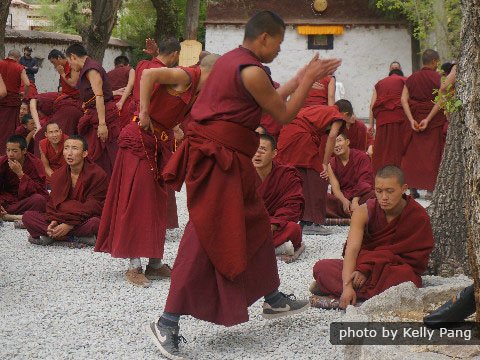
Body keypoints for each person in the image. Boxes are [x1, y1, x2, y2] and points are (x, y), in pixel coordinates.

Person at [146, 10, 342, 359]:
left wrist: (301, 76)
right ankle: (167, 321)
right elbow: (281, 114)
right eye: (279, 44)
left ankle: (272, 297)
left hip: (231, 159)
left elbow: (273, 94)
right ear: (264, 37)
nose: (279, 51)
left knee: (253, 222)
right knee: (205, 233)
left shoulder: (231, 62)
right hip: (218, 161)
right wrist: (309, 76)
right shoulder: (250, 70)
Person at [95, 54, 219, 288]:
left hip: (159, 142)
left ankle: (154, 262)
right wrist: (143, 111)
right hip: (139, 140)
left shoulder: (198, 90)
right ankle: (134, 266)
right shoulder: (186, 76)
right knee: (137, 202)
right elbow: (149, 75)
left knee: (156, 203)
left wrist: (175, 125)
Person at [310, 166, 434, 310]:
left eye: (390, 191)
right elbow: (352, 250)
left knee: (406, 278)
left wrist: (367, 268)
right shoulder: (363, 212)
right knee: (322, 267)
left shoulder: (418, 216)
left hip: (392, 271)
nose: (384, 197)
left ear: (403, 188)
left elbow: (416, 261)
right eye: (379, 191)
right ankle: (356, 291)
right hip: (361, 269)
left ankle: (330, 286)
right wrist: (347, 286)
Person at [276, 100, 349, 235]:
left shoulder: (318, 109)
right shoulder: (336, 115)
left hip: (288, 134)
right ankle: (311, 222)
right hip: (301, 137)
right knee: (319, 177)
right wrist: (325, 164)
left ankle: (302, 219)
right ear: (344, 114)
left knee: (299, 176)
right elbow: (332, 136)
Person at [24, 136, 108, 246]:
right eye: (66, 148)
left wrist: (69, 224)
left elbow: (94, 206)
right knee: (28, 217)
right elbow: (52, 204)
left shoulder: (97, 174)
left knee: (96, 223)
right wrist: (55, 221)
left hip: (84, 219)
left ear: (84, 153)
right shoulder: (58, 175)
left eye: (74, 148)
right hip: (63, 218)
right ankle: (73, 237)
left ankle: (54, 236)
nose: (69, 153)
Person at [65, 43, 121, 176]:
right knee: (94, 155)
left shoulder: (91, 69)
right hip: (94, 113)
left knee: (105, 156)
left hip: (103, 116)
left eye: (69, 63)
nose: (71, 67)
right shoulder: (87, 68)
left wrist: (102, 124)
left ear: (73, 57)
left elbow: (100, 96)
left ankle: (110, 189)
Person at [400, 49, 447, 199]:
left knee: (413, 154)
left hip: (415, 121)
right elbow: (441, 100)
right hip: (432, 122)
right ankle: (430, 190)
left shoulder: (412, 78)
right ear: (434, 62)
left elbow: (403, 99)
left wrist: (411, 119)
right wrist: (429, 118)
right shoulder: (439, 78)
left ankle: (412, 188)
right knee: (432, 154)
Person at [254, 134, 305, 263]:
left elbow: (292, 207)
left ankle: (253, 248)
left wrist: (273, 224)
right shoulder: (241, 173)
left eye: (262, 150)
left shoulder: (286, 175)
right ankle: (274, 248)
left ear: (274, 153)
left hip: (275, 226)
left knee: (293, 229)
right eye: (254, 149)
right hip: (250, 224)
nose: (257, 154)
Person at [326, 133, 375, 219]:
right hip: (342, 198)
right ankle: (359, 212)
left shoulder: (362, 157)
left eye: (339, 140)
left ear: (347, 142)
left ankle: (349, 212)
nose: (336, 145)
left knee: (374, 196)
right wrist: (344, 201)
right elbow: (335, 189)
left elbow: (364, 181)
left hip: (361, 196)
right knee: (323, 198)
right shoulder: (331, 163)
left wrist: (355, 201)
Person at [0, 135, 47, 220]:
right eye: (8, 150)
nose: (10, 154)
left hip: (26, 200)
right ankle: (24, 216)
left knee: (39, 200)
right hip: (8, 200)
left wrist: (20, 174)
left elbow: (40, 190)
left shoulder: (35, 163)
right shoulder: (2, 162)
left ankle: (10, 217)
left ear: (24, 150)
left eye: (14, 151)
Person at [369, 68, 408, 171]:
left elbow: (372, 105)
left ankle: (381, 176)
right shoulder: (405, 80)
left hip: (382, 121)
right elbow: (407, 100)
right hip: (400, 119)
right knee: (399, 149)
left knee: (383, 151)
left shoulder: (380, 83)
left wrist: (371, 126)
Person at [46, 49, 83, 136]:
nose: (54, 65)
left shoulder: (72, 65)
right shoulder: (62, 67)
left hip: (75, 98)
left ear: (59, 58)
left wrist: (62, 73)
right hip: (66, 97)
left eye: (53, 62)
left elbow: (74, 83)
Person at [0, 50, 30, 153]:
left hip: (1, 100)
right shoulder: (19, 67)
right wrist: (24, 94)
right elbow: (27, 83)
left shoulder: (0, 63)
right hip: (12, 103)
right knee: (9, 130)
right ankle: (7, 152)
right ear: (18, 58)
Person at [107, 55, 135, 128]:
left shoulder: (107, 74)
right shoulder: (130, 69)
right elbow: (131, 84)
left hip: (109, 105)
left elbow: (103, 91)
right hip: (125, 104)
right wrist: (121, 102)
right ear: (127, 64)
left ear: (115, 65)